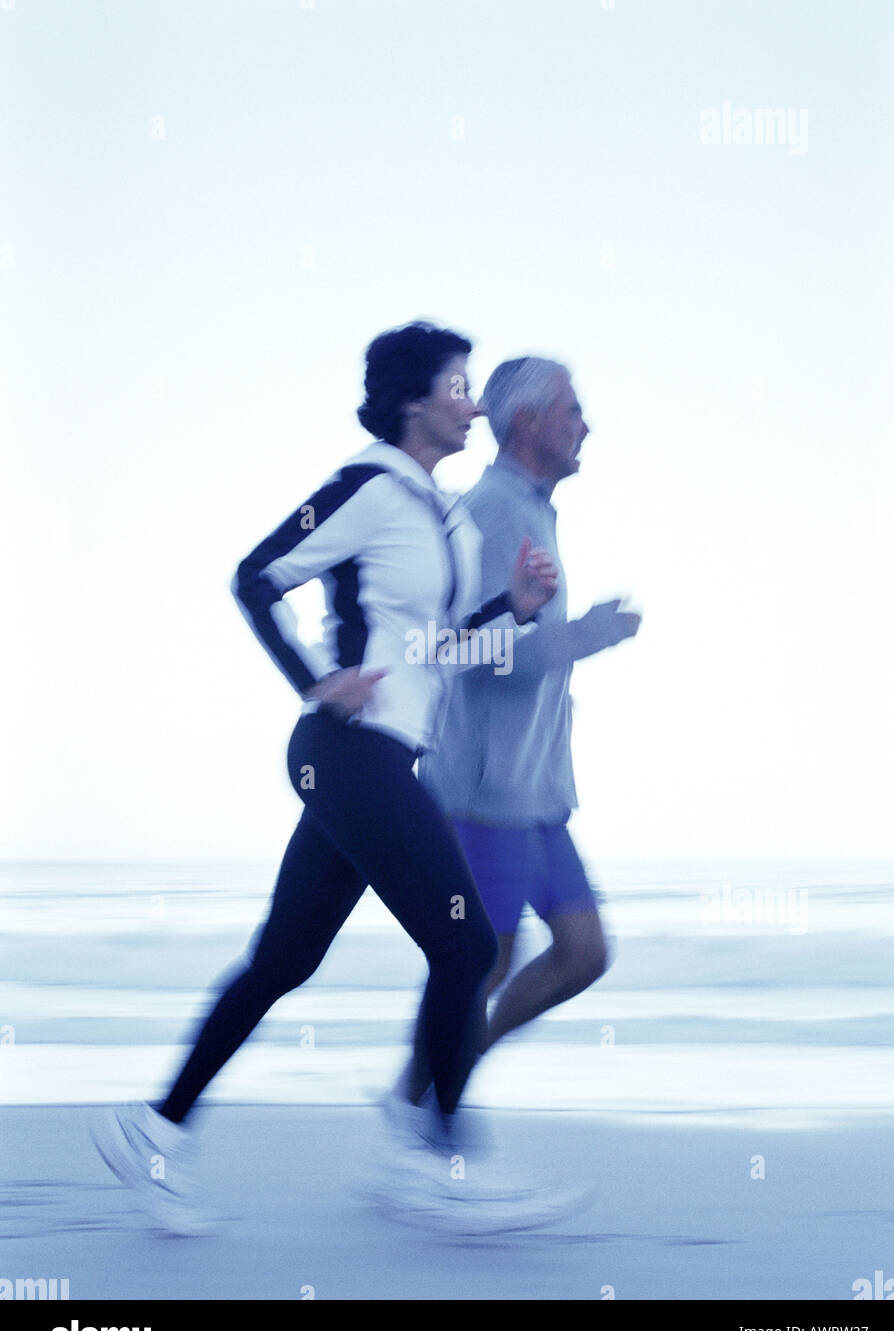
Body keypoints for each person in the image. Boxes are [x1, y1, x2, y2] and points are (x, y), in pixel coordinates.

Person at [93, 323, 568, 1236]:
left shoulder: (442, 516)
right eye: (459, 388)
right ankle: (433, 1159)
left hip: (380, 760)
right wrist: (314, 677)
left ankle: (154, 1129)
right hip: (345, 753)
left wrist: (512, 608)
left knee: (284, 960)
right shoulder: (367, 489)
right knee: (466, 948)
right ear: (411, 400)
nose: (473, 405)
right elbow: (255, 575)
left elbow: (431, 651)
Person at [397, 356, 641, 1110]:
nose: (585, 424)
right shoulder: (492, 511)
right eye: (571, 410)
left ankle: (446, 1070)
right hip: (482, 791)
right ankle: (421, 1114)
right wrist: (592, 634)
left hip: (531, 791)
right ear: (529, 424)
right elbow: (481, 655)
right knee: (481, 963)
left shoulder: (531, 509)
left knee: (580, 953)